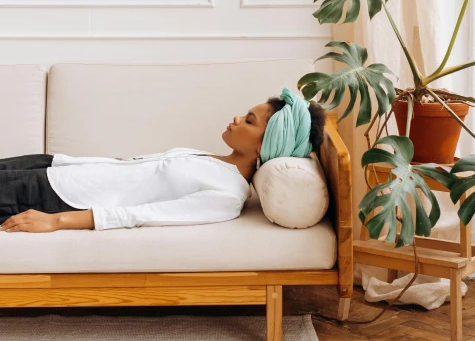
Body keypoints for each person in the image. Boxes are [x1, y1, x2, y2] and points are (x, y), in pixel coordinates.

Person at [0, 87, 326, 234]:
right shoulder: (212, 159)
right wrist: (60, 161)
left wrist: (55, 221)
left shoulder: (226, 196)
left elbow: (142, 214)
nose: (237, 118)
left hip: (58, 196)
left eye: (250, 121)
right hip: (58, 167)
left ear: (263, 147)